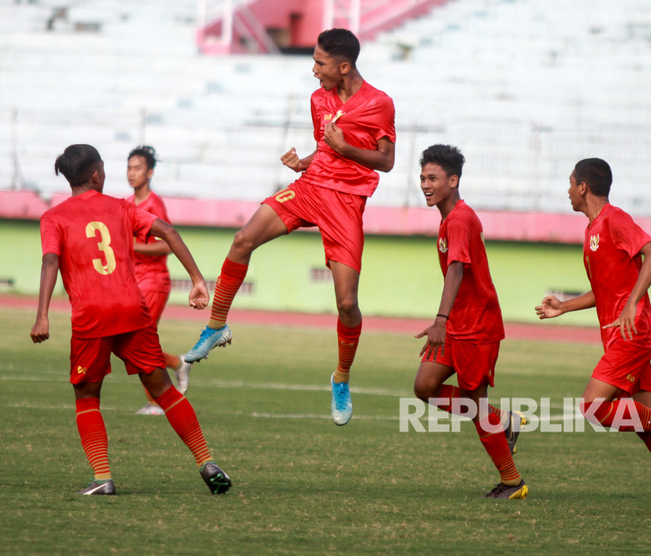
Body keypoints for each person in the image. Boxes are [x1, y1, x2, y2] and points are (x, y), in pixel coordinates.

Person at [183, 28, 396, 426]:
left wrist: (346, 148)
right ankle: (216, 326)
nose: (314, 70)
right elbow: (328, 148)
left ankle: (341, 377)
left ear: (343, 66)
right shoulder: (318, 99)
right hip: (311, 188)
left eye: (320, 63)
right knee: (243, 239)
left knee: (347, 304)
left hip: (347, 203)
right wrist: (306, 162)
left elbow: (385, 161)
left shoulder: (380, 103)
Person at [30, 144, 232, 496]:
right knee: (164, 390)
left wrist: (42, 315)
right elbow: (168, 232)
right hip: (132, 310)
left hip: (92, 316)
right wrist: (198, 280)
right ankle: (206, 460)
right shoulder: (122, 207)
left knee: (87, 396)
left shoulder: (54, 217)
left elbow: (50, 262)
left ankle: (102, 477)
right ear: (96, 175)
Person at [535, 158, 651, 519]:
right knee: (643, 425)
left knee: (593, 407)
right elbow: (604, 290)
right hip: (621, 335)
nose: (568, 190)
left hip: (631, 334)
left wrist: (633, 302)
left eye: (570, 183)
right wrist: (564, 306)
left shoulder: (613, 219)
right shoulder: (593, 231)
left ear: (583, 187)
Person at [413, 144, 527, 499]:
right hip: (459, 325)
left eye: (432, 178)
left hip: (475, 327)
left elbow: (457, 268)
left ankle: (512, 481)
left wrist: (440, 320)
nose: (425, 184)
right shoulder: (451, 218)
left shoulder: (460, 219)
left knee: (476, 408)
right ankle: (503, 419)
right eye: (422, 178)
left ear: (453, 180)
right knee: (425, 386)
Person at [126, 145, 193, 416]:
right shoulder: (126, 205)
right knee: (130, 344)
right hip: (132, 282)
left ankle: (156, 403)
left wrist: (132, 247)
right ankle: (177, 363)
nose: (131, 173)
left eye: (137, 168)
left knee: (141, 344)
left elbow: (167, 245)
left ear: (150, 172)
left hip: (154, 281)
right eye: (129, 168)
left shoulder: (155, 205)